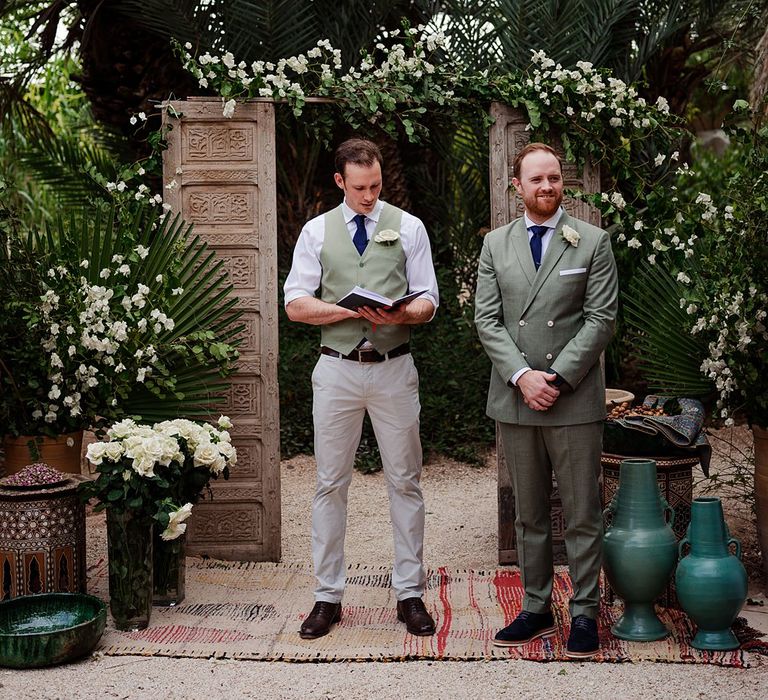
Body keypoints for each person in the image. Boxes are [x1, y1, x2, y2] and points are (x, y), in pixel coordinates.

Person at [284, 138, 439, 640]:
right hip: (337, 370)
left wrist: (402, 311)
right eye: (359, 188)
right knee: (330, 483)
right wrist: (349, 311)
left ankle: (409, 594)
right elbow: (296, 305)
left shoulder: (409, 226)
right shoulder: (315, 231)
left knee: (405, 480)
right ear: (339, 182)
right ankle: (327, 597)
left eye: (375, 186)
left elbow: (429, 302)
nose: (369, 196)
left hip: (394, 367)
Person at [474, 142, 618, 658]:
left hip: (572, 397)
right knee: (529, 513)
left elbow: (602, 320)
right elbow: (486, 320)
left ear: (564, 183)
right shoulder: (495, 244)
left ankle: (584, 613)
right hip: (516, 397)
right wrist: (522, 377)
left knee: (581, 512)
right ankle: (535, 607)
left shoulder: (593, 241)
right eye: (536, 179)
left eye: (554, 178)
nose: (547, 187)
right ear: (517, 187)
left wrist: (553, 377)